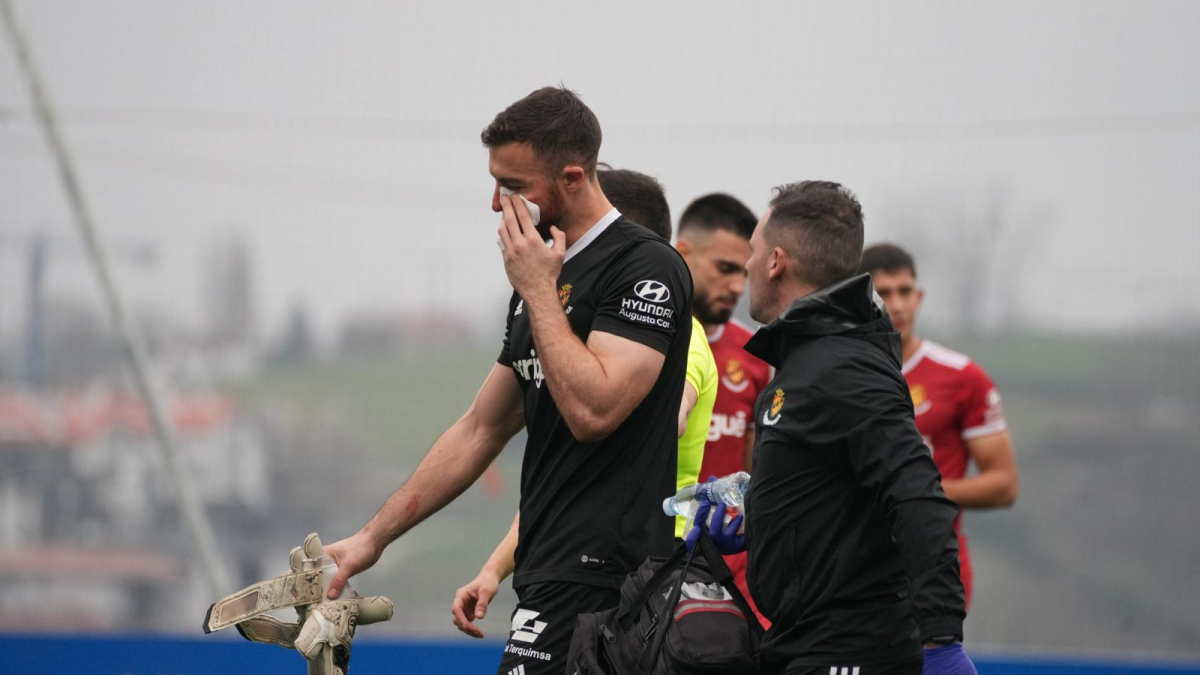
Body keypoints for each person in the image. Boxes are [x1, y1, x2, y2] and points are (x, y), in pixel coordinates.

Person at [324, 87, 694, 675]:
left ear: (573, 178)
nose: (497, 203)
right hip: (546, 575)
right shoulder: (543, 277)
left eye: (514, 185)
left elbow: (593, 412)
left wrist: (539, 292)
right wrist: (374, 538)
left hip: (608, 584)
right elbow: (479, 429)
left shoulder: (644, 266)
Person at [706, 180, 973, 674]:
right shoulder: (809, 361)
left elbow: (918, 495)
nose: (746, 268)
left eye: (752, 252)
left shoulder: (843, 369)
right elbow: (836, 500)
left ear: (776, 261)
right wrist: (760, 521)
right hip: (804, 643)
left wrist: (941, 642)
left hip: (851, 652)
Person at [450, 167, 718, 645]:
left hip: (640, 572)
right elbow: (559, 468)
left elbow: (662, 417)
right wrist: (494, 569)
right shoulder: (580, 330)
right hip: (565, 560)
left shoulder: (681, 340)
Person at [858, 243, 1019, 611]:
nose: (896, 305)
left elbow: (1004, 485)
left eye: (905, 291)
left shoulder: (962, 376)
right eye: (884, 293)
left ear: (920, 297)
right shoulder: (837, 375)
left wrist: (919, 492)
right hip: (852, 568)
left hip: (933, 566)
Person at [674, 193, 772, 626]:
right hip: (657, 555)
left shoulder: (756, 357)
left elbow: (759, 474)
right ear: (683, 253)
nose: (737, 285)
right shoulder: (642, 346)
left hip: (733, 574)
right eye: (725, 268)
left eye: (743, 271)